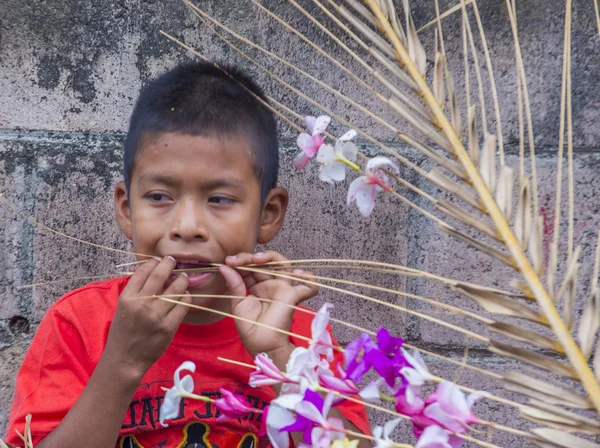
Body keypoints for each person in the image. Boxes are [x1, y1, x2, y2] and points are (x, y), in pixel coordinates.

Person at [6, 62, 370, 448]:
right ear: (127, 209)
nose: (187, 226)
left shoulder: (294, 332)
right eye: (160, 197)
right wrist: (122, 363)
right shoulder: (80, 323)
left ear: (268, 214)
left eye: (219, 199)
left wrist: (277, 355)